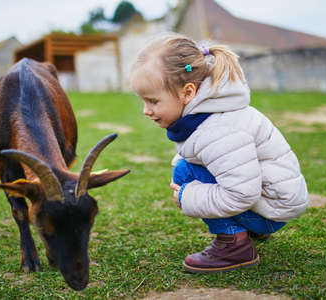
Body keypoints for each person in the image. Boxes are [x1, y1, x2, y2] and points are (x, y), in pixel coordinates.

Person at [130, 33, 309, 273]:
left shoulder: (218, 129)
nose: (146, 110)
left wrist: (189, 196)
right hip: (271, 202)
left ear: (188, 92)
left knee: (185, 172)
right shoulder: (209, 112)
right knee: (186, 166)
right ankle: (247, 229)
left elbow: (242, 193)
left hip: (272, 212)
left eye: (153, 101)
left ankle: (234, 245)